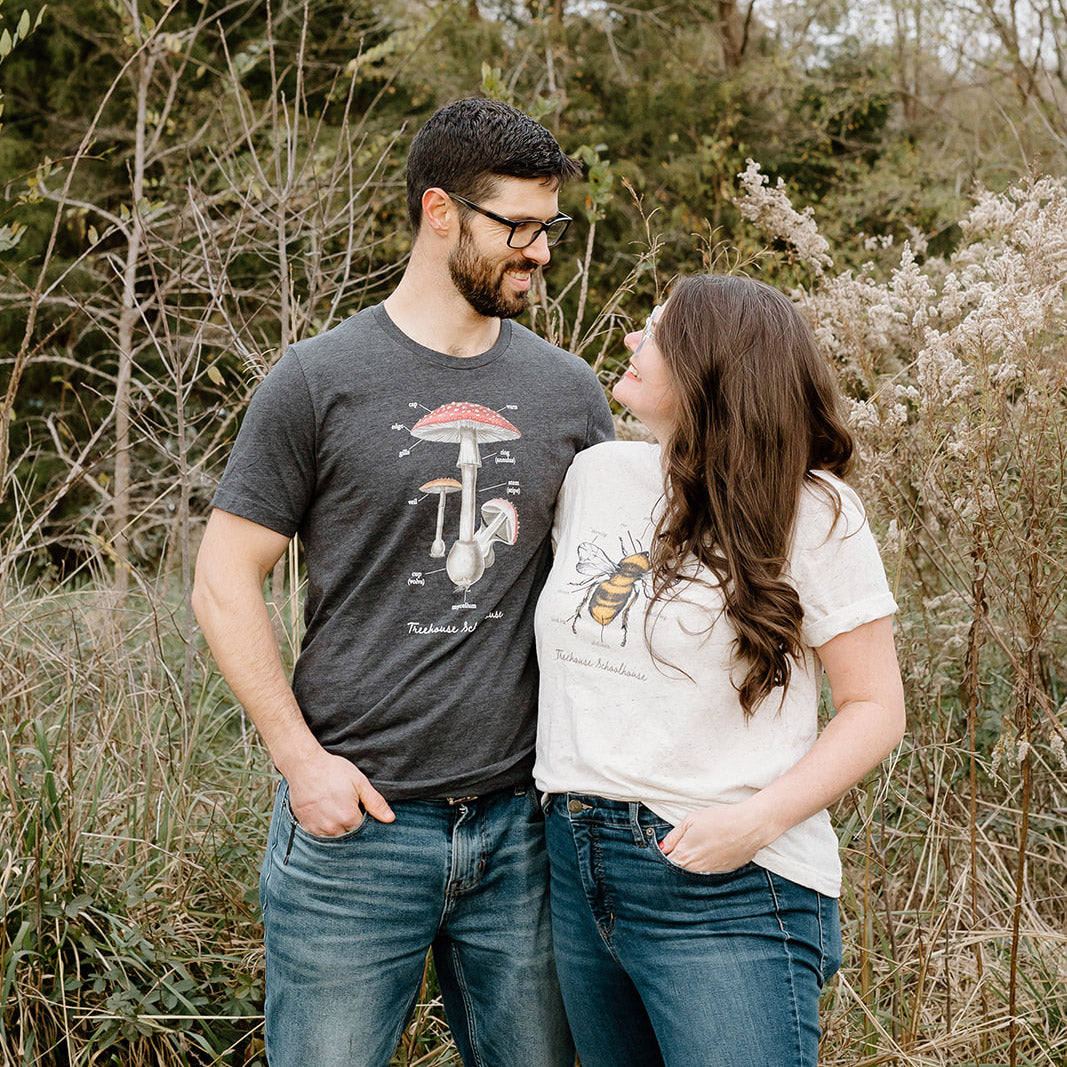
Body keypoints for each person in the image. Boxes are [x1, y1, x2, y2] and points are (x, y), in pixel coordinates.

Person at [192, 97, 614, 1067]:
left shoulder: (569, 392)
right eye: (515, 225)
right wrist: (300, 761)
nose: (539, 251)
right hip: (355, 836)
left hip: (523, 832)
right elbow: (224, 576)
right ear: (438, 212)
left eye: (547, 228)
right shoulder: (318, 378)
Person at [534, 273, 906, 1067]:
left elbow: (875, 705)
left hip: (726, 883)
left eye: (657, 331)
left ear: (711, 366)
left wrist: (756, 822)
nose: (632, 340)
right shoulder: (596, 476)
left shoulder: (815, 511)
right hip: (575, 856)